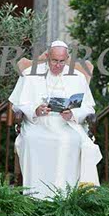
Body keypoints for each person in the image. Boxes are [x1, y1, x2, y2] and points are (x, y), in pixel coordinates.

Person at [8, 40, 101, 199]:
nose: (58, 65)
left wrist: (73, 114)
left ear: (67, 59)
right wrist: (35, 110)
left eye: (62, 61)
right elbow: (18, 105)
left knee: (71, 140)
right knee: (31, 139)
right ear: (47, 57)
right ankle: (35, 196)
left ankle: (66, 196)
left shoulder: (78, 77)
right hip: (37, 124)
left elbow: (88, 108)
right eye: (54, 60)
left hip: (66, 125)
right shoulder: (30, 74)